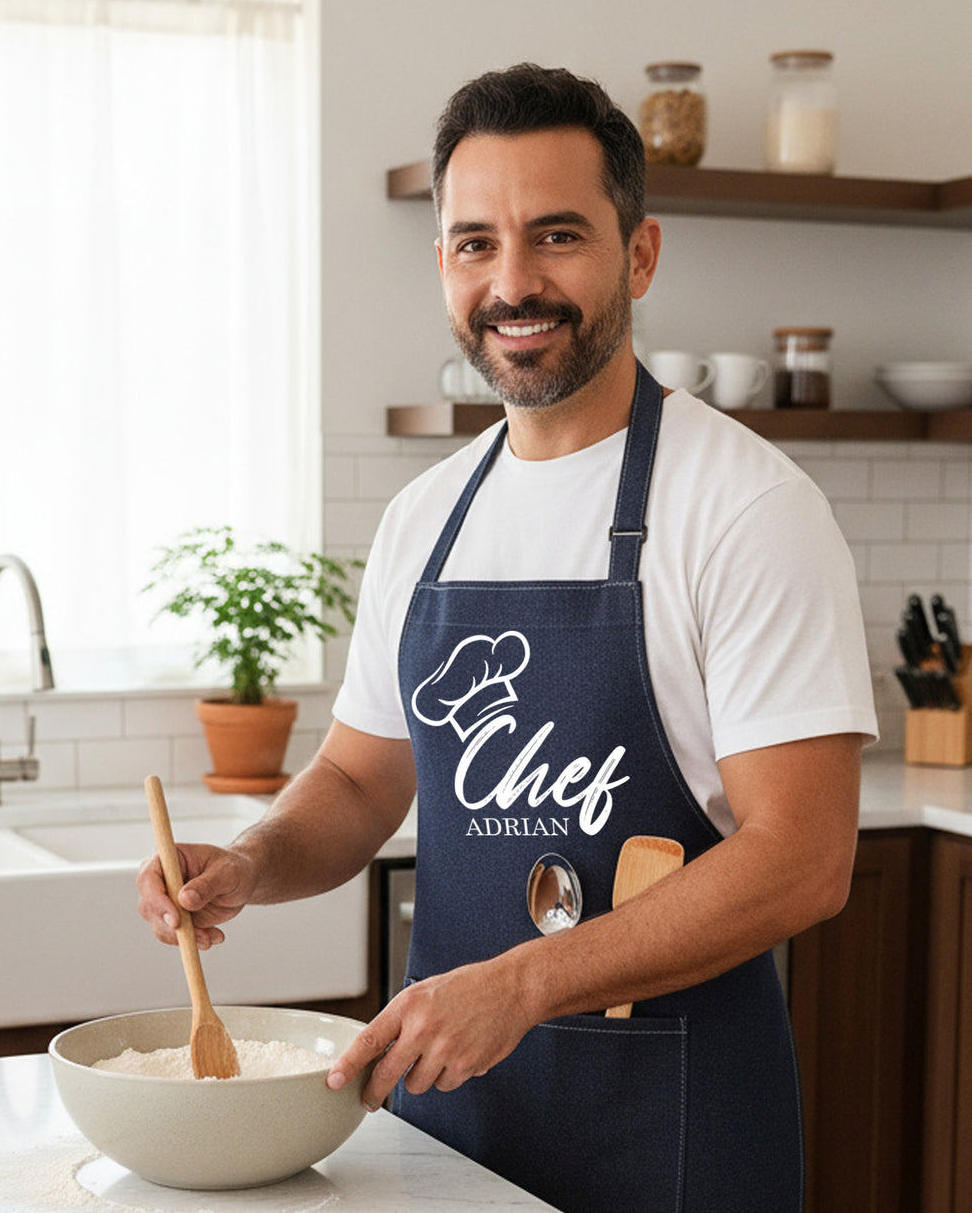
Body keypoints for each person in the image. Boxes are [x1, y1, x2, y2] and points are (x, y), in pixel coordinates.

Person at [137, 63, 878, 1212]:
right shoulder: (426, 517)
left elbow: (803, 856)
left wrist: (525, 983)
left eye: (556, 235)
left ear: (637, 254)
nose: (512, 280)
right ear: (441, 263)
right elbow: (355, 776)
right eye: (474, 242)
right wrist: (257, 858)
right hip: (453, 1126)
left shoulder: (744, 507)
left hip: (671, 1135)